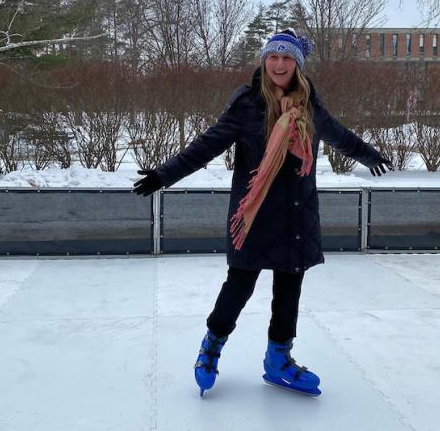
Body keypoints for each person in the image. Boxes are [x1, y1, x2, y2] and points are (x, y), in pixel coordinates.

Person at [133, 28, 392, 397]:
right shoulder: (248, 106)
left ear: (297, 65)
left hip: (296, 216)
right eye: (273, 56)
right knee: (238, 286)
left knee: (289, 291)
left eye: (287, 58)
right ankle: (211, 347)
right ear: (264, 61)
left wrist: (369, 155)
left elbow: (340, 136)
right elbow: (206, 145)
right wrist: (163, 175)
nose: (279, 64)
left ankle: (278, 360)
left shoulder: (310, 107)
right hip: (253, 217)